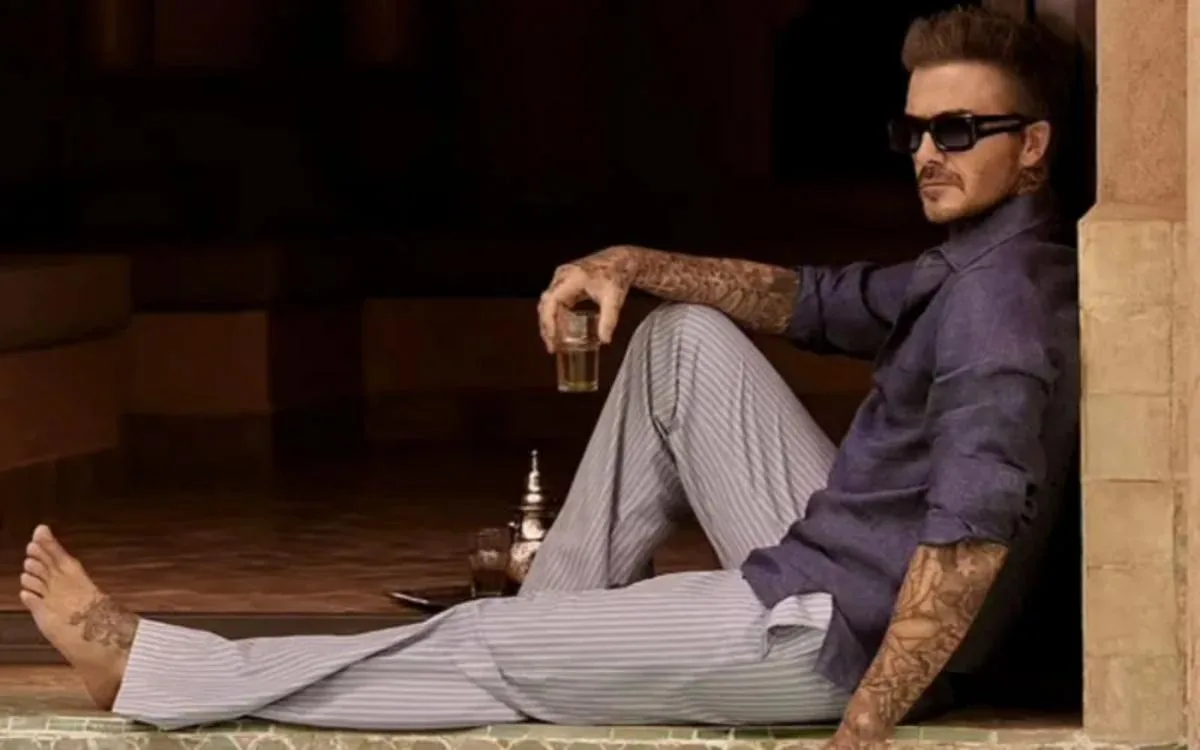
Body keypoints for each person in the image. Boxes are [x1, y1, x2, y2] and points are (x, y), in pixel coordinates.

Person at [18, 8, 1077, 748]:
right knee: (680, 344)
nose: (926, 154)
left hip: (826, 641)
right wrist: (627, 262)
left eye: (957, 131)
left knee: (482, 638)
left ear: (1032, 147)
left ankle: (151, 668)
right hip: (833, 572)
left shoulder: (998, 311)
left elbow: (968, 539)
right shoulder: (978, 263)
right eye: (913, 131)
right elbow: (810, 298)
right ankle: (562, 629)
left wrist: (866, 726)